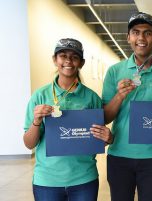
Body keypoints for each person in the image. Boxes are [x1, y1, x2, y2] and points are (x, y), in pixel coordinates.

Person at [23, 38, 113, 201]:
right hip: (47, 181)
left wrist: (108, 138)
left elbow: (98, 139)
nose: (68, 61)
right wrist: (36, 121)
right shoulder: (40, 96)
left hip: (84, 179)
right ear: (54, 60)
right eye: (63, 55)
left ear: (82, 63)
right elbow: (29, 143)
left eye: (74, 57)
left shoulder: (91, 98)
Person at [102, 12, 152, 201]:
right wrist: (119, 96)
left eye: (147, 33)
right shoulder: (114, 72)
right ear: (128, 37)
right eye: (135, 32)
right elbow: (104, 118)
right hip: (119, 155)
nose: (141, 38)